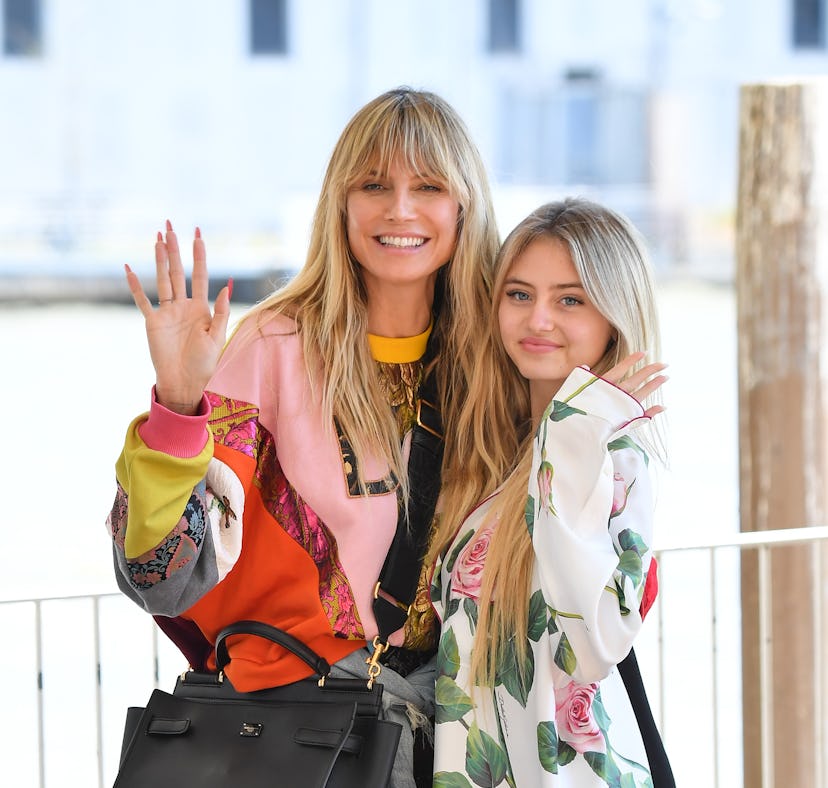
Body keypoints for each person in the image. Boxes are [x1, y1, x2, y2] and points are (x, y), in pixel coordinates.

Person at [106, 86, 500, 788]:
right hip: (300, 738)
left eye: (428, 186)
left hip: (460, 740)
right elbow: (159, 576)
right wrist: (178, 405)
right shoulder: (274, 345)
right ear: (340, 204)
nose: (400, 209)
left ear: (463, 204)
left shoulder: (493, 362)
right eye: (374, 184)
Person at [429, 197, 671, 786]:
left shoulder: (617, 456)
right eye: (519, 294)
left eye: (570, 300)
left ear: (614, 315)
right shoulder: (500, 452)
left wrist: (576, 430)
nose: (538, 320)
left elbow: (591, 642)